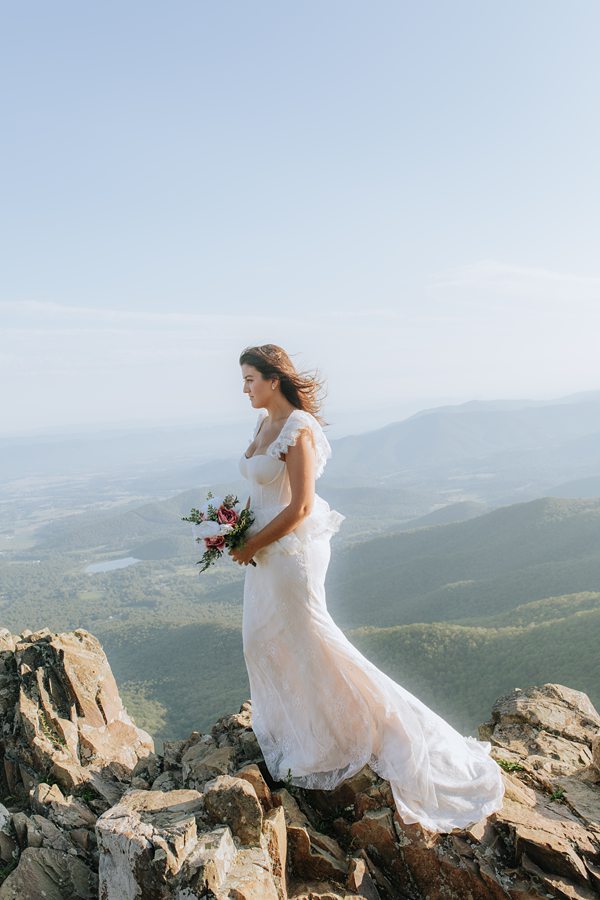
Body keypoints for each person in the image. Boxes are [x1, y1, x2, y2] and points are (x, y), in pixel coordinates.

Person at [230, 343, 505, 833]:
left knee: (312, 639)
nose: (244, 388)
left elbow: (300, 508)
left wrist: (252, 544)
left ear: (274, 379)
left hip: (290, 553)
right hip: (263, 552)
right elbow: (263, 491)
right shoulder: (261, 425)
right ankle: (299, 729)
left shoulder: (298, 429)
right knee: (262, 640)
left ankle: (359, 729)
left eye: (250, 378)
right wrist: (231, 527)